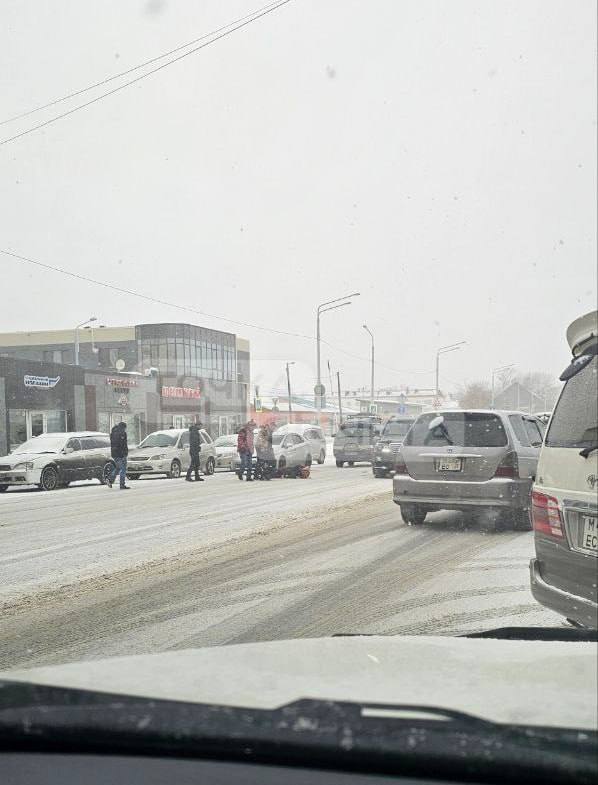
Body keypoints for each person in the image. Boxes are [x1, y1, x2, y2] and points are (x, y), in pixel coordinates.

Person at [108, 421, 129, 489]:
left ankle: (110, 480)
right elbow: (119, 445)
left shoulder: (114, 433)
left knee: (118, 468)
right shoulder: (119, 434)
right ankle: (122, 485)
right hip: (119, 454)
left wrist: (125, 452)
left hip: (118, 454)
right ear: (122, 427)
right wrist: (123, 452)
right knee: (122, 469)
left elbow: (124, 444)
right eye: (124, 428)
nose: (125, 429)